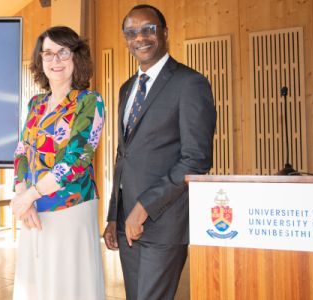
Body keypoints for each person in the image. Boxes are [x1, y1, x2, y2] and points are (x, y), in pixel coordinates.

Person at [103, 4, 216, 300]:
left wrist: (144, 207)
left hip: (164, 223)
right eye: (131, 32)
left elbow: (196, 160)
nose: (139, 37)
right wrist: (115, 214)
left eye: (148, 29)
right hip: (127, 223)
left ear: (164, 33)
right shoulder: (127, 88)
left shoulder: (190, 84)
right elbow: (123, 155)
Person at [10, 26, 106, 300]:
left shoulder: (90, 101)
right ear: (40, 61)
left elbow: (76, 160)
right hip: (33, 211)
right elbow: (21, 152)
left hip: (71, 208)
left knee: (68, 286)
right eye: (48, 54)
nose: (55, 61)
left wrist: (30, 195)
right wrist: (22, 195)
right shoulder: (36, 103)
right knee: (36, 285)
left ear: (76, 57)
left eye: (63, 52)